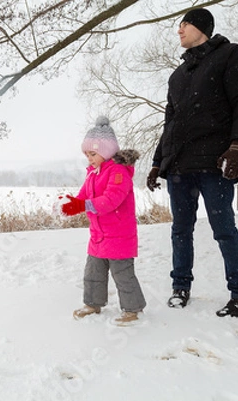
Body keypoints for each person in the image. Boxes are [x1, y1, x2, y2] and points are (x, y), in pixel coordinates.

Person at [146, 8, 238, 317]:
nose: (179, 30)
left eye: (184, 24)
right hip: (180, 167)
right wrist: (158, 162)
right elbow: (170, 123)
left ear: (201, 27)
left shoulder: (231, 55)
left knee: (223, 229)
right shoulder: (177, 75)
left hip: (215, 163)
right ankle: (180, 287)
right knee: (180, 230)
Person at [60, 116, 146, 325]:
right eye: (87, 154)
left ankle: (132, 309)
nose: (89, 158)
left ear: (107, 151)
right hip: (98, 235)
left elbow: (111, 201)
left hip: (118, 235)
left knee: (122, 274)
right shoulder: (92, 173)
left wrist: (84, 205)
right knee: (93, 272)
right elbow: (83, 197)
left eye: (93, 153)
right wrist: (69, 204)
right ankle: (92, 303)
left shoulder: (118, 172)